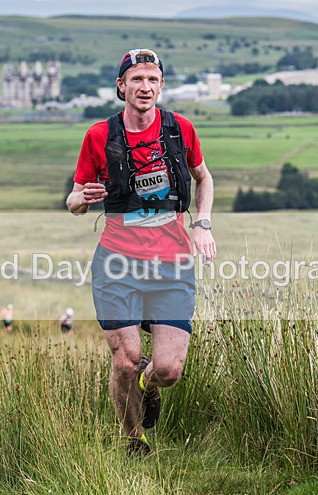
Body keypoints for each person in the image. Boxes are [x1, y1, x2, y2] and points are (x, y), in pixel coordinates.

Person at [66, 48, 216, 456]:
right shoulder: (99, 136)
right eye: (136, 79)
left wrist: (201, 224)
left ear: (161, 86)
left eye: (152, 79)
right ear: (121, 87)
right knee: (127, 359)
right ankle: (134, 440)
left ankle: (149, 389)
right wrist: (84, 199)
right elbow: (74, 200)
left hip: (172, 264)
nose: (144, 87)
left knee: (167, 370)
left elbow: (204, 179)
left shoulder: (180, 129)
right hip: (118, 264)